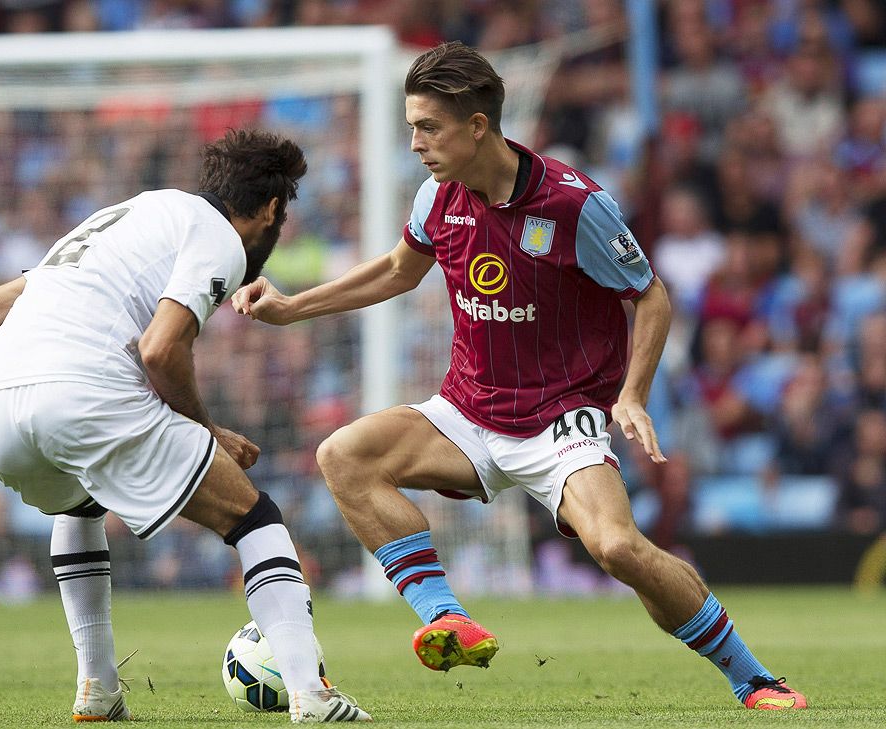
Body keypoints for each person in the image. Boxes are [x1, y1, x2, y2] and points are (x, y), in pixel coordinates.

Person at [232, 41, 807, 711]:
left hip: (561, 421)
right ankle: (445, 617)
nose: (415, 142)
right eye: (413, 125)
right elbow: (397, 269)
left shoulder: (573, 205)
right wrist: (294, 307)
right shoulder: (437, 196)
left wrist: (632, 394)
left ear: (478, 127)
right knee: (343, 455)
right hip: (469, 411)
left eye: (429, 127)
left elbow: (651, 295)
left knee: (619, 546)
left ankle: (754, 676)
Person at [0, 129, 370, 723]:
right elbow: (160, 350)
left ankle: (97, 689)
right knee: (253, 517)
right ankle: (312, 695)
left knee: (78, 502)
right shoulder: (219, 237)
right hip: (83, 392)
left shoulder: (128, 215)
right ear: (272, 210)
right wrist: (207, 431)